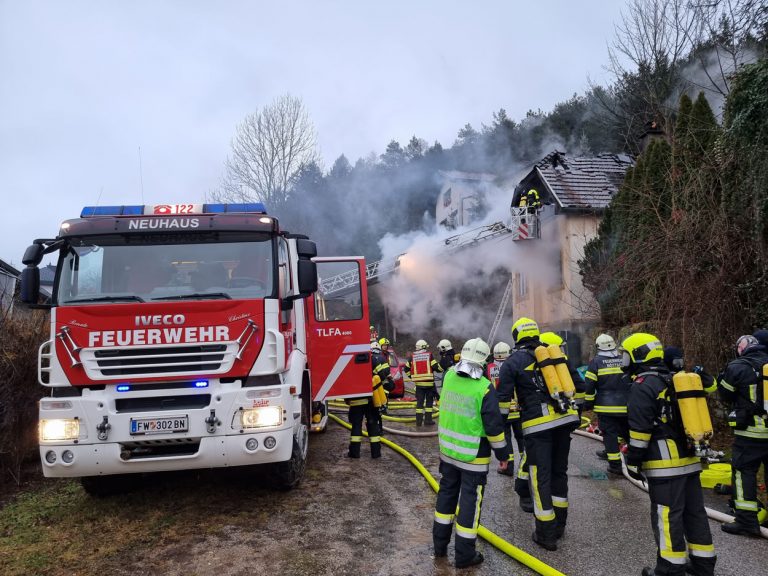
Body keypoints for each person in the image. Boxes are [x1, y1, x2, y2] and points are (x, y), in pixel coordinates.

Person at [623, 333, 716, 576]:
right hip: (690, 459)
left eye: (626, 354)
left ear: (637, 355)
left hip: (665, 464)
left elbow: (640, 430)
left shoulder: (643, 385)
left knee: (667, 514)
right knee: (694, 512)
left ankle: (670, 568)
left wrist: (632, 460)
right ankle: (703, 564)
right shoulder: (675, 378)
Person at [498, 317, 579, 551]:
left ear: (516, 337)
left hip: (538, 427)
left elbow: (503, 400)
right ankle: (559, 526)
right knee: (559, 472)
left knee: (539, 476)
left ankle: (546, 534)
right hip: (564, 421)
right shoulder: (553, 356)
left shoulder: (513, 361)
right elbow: (579, 387)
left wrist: (501, 425)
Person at [433, 338, 509, 569]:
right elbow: (494, 428)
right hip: (473, 457)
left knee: (446, 496)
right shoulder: (484, 388)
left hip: (448, 452)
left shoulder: (448, 377)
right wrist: (503, 455)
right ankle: (465, 556)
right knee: (469, 503)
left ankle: (439, 547)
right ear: (484, 361)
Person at [718, 334, 768, 537]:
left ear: (741, 348)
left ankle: (747, 521)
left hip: (751, 432)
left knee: (743, 471)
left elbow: (725, 394)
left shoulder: (738, 366)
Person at [584, 333, 630, 475]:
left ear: (598, 347)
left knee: (610, 434)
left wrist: (588, 403)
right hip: (627, 406)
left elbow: (590, 386)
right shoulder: (624, 359)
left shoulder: (596, 362)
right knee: (629, 434)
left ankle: (616, 466)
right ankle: (635, 463)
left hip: (606, 408)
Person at [347, 341, 393, 459]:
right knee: (373, 425)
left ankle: (354, 453)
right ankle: (376, 453)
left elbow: (345, 381)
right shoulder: (372, 359)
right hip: (372, 399)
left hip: (356, 399)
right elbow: (383, 374)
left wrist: (347, 399)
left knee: (356, 426)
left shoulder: (349, 360)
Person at [486, 341, 522, 476]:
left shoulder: (488, 368)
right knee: (522, 438)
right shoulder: (515, 365)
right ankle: (527, 466)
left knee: (506, 440)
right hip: (517, 409)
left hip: (501, 410)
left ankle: (508, 468)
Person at [539, 331, 586, 410]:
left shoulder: (540, 364)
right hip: (572, 404)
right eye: (560, 348)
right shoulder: (563, 361)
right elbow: (580, 385)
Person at [404, 340, 443, 426]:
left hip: (419, 386)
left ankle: (418, 422)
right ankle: (428, 421)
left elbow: (406, 369)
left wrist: (412, 377)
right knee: (429, 403)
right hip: (429, 385)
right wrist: (441, 368)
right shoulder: (429, 355)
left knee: (419, 403)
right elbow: (436, 367)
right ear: (424, 347)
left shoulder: (412, 357)